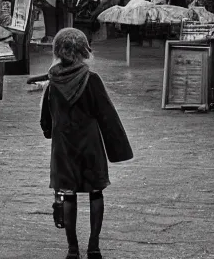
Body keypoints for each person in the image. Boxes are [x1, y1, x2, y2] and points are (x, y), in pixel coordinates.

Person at [41, 28, 133, 259]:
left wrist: (50, 132)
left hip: (63, 147)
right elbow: (107, 116)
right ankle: (94, 247)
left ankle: (72, 249)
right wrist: (118, 148)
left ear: (58, 51)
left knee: (68, 195)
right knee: (95, 192)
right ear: (83, 51)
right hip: (90, 145)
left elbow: (46, 120)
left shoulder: (52, 82)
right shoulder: (91, 80)